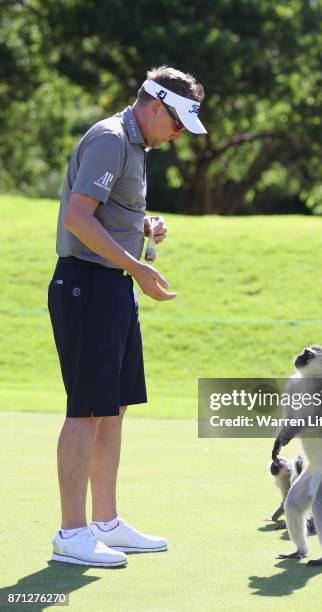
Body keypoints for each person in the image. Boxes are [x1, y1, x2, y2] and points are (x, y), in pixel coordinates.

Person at [48, 66, 206, 567]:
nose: (178, 135)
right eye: (177, 123)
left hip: (111, 287)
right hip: (86, 284)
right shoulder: (111, 139)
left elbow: (109, 212)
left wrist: (143, 226)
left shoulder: (136, 146)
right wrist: (137, 266)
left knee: (112, 408)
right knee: (86, 411)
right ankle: (71, 533)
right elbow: (78, 217)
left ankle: (106, 523)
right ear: (155, 106)